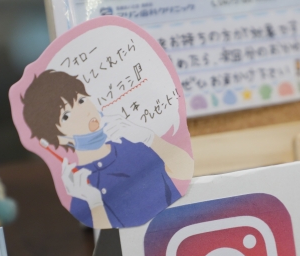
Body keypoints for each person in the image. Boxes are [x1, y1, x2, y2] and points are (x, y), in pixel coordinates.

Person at [21, 70, 193, 228]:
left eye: (81, 100)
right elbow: (108, 238)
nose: (84, 112)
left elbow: (184, 174)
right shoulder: (78, 186)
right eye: (66, 115)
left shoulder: (133, 145)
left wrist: (149, 137)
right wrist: (93, 201)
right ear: (58, 138)